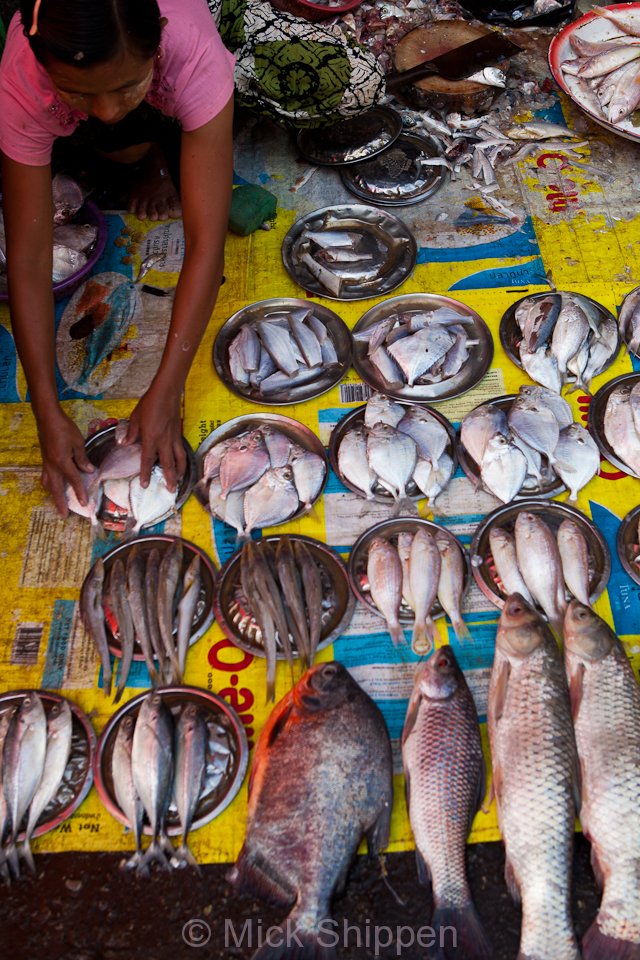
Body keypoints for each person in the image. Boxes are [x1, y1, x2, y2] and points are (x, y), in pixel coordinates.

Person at [0, 0, 235, 514]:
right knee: (96, 135)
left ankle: (153, 151)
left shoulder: (191, 47)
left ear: (161, 40)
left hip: (185, 68)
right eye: (78, 90)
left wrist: (168, 389)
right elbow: (29, 259)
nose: (106, 109)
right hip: (79, 102)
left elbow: (205, 244)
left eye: (127, 86)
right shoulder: (22, 75)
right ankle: (127, 147)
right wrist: (45, 409)